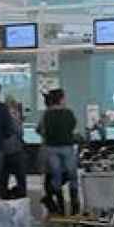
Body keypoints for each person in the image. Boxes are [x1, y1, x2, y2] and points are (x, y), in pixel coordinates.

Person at [38, 88, 80, 216]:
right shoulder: (68, 113)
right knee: (72, 175)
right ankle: (74, 205)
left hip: (51, 148)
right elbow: (73, 125)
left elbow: (41, 130)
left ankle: (61, 206)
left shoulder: (47, 114)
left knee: (56, 176)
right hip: (67, 147)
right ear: (61, 99)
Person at [2, 96, 28, 198]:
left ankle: (4, 196)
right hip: (16, 150)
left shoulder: (1, 115)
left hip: (4, 150)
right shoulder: (14, 115)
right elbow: (20, 132)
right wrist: (18, 121)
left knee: (3, 178)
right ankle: (21, 196)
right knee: (21, 178)